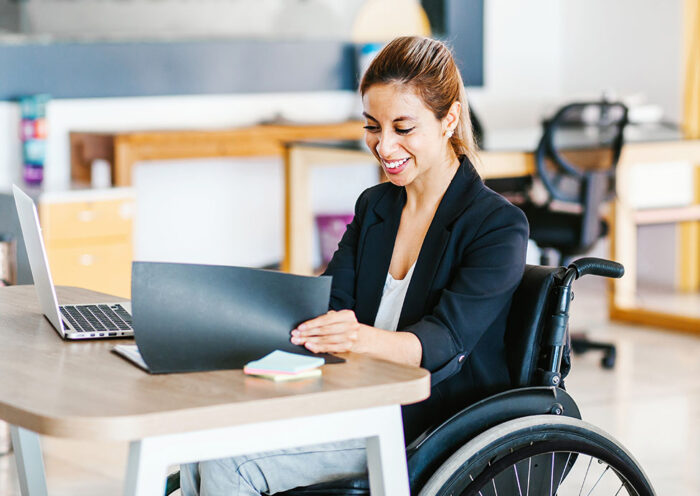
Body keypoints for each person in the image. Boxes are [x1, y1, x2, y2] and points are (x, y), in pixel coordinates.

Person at [181, 35, 528, 496]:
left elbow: (444, 342)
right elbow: (331, 300)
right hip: (353, 396)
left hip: (428, 423)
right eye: (372, 126)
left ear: (449, 119)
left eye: (403, 128)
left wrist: (356, 337)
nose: (384, 146)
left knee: (232, 462)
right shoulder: (376, 206)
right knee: (195, 434)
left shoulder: (497, 225)